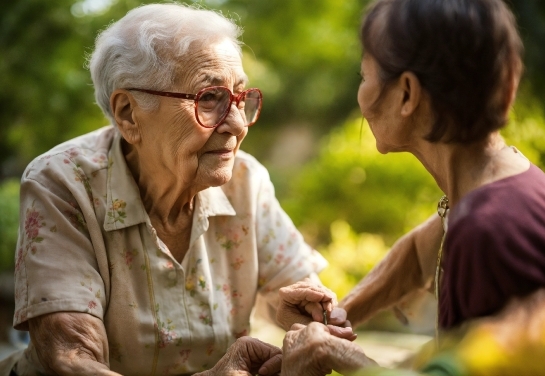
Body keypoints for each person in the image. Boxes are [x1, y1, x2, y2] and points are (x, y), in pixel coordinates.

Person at [0, 3, 347, 375]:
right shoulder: (63, 183)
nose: (237, 124)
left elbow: (297, 286)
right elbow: (71, 362)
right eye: (209, 98)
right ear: (128, 114)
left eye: (240, 98)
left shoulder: (247, 181)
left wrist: (308, 309)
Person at [281, 0, 545, 374]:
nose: (362, 97)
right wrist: (335, 319)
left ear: (407, 94)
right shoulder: (492, 189)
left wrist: (337, 355)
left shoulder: (490, 230)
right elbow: (418, 253)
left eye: (364, 75)